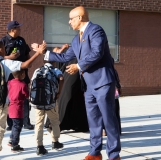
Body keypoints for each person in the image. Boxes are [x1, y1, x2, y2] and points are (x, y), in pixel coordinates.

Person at [32, 6, 121, 160]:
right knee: (93, 120)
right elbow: (65, 58)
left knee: (108, 119)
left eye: (71, 18)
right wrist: (44, 52)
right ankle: (95, 153)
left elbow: (97, 52)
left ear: (80, 17)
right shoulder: (76, 39)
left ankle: (114, 155)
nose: (69, 22)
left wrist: (79, 66)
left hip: (103, 82)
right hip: (88, 85)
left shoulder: (96, 30)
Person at [0, 40, 45, 160]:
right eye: (3, 48)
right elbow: (25, 65)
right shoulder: (5, 63)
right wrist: (38, 53)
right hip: (1, 101)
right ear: (0, 50)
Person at [45, 44, 89, 132]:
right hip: (71, 70)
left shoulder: (85, 45)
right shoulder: (76, 43)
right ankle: (58, 123)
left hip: (78, 71)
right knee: (67, 95)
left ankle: (78, 124)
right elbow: (64, 58)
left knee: (76, 97)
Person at [0, 20, 34, 130]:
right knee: (10, 98)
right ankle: (10, 123)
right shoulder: (3, 41)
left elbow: (27, 54)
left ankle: (26, 122)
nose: (20, 30)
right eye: (18, 28)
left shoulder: (21, 40)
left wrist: (29, 62)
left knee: (24, 97)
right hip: (10, 75)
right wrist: (10, 57)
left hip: (22, 73)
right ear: (12, 30)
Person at [31, 60, 64, 156]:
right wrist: (59, 92)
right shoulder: (55, 70)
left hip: (38, 102)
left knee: (39, 123)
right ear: (54, 62)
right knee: (54, 121)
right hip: (51, 101)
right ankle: (55, 142)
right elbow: (61, 78)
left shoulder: (37, 70)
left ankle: (39, 146)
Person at [7, 69, 29, 152]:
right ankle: (15, 144)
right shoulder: (22, 85)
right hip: (18, 108)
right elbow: (27, 95)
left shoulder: (10, 82)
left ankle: (11, 140)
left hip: (10, 107)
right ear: (22, 74)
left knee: (14, 125)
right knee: (17, 127)